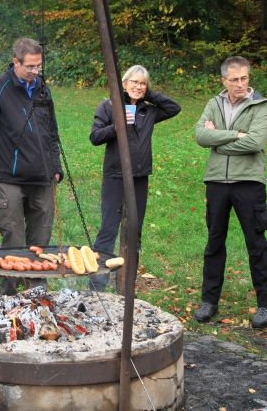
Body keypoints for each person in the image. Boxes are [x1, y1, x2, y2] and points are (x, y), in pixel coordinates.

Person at [0, 37, 63, 295]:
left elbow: (52, 132)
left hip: (43, 178)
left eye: (39, 67)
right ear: (16, 62)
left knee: (40, 244)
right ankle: (9, 296)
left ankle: (36, 295)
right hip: (9, 179)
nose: (36, 72)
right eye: (31, 67)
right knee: (13, 242)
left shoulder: (42, 88)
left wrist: (56, 167)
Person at [89, 65, 181, 291]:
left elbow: (174, 108)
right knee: (108, 229)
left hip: (139, 178)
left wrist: (147, 95)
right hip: (115, 176)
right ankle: (96, 287)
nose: (138, 86)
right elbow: (95, 136)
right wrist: (118, 125)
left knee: (134, 230)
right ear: (124, 83)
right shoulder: (110, 106)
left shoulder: (149, 111)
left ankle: (126, 286)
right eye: (134, 82)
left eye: (143, 83)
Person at [195, 56, 267, 328]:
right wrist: (234, 135)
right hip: (216, 182)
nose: (240, 84)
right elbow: (201, 136)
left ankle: (265, 305)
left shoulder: (260, 106)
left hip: (249, 182)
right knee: (214, 243)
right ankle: (209, 302)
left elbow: (255, 142)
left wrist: (220, 140)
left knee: (256, 244)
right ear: (224, 80)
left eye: (244, 78)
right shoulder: (214, 103)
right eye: (234, 79)